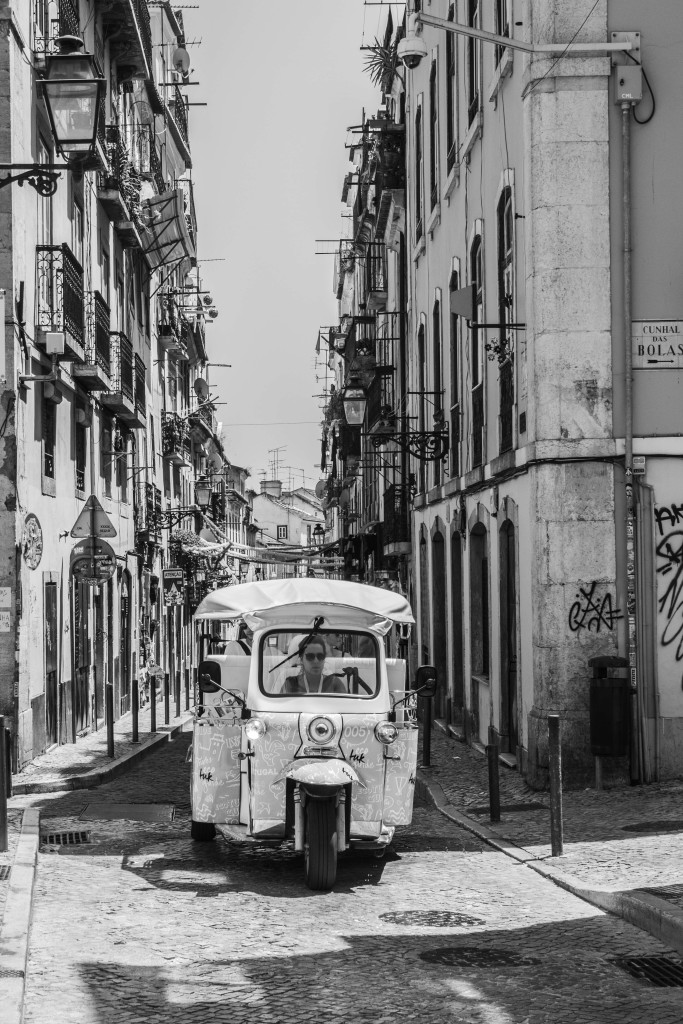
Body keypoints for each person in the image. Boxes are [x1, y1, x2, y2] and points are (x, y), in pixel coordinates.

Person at [281, 637, 347, 694]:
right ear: (301, 659)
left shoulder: (335, 683)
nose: (316, 661)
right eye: (310, 656)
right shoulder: (290, 684)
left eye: (320, 656)